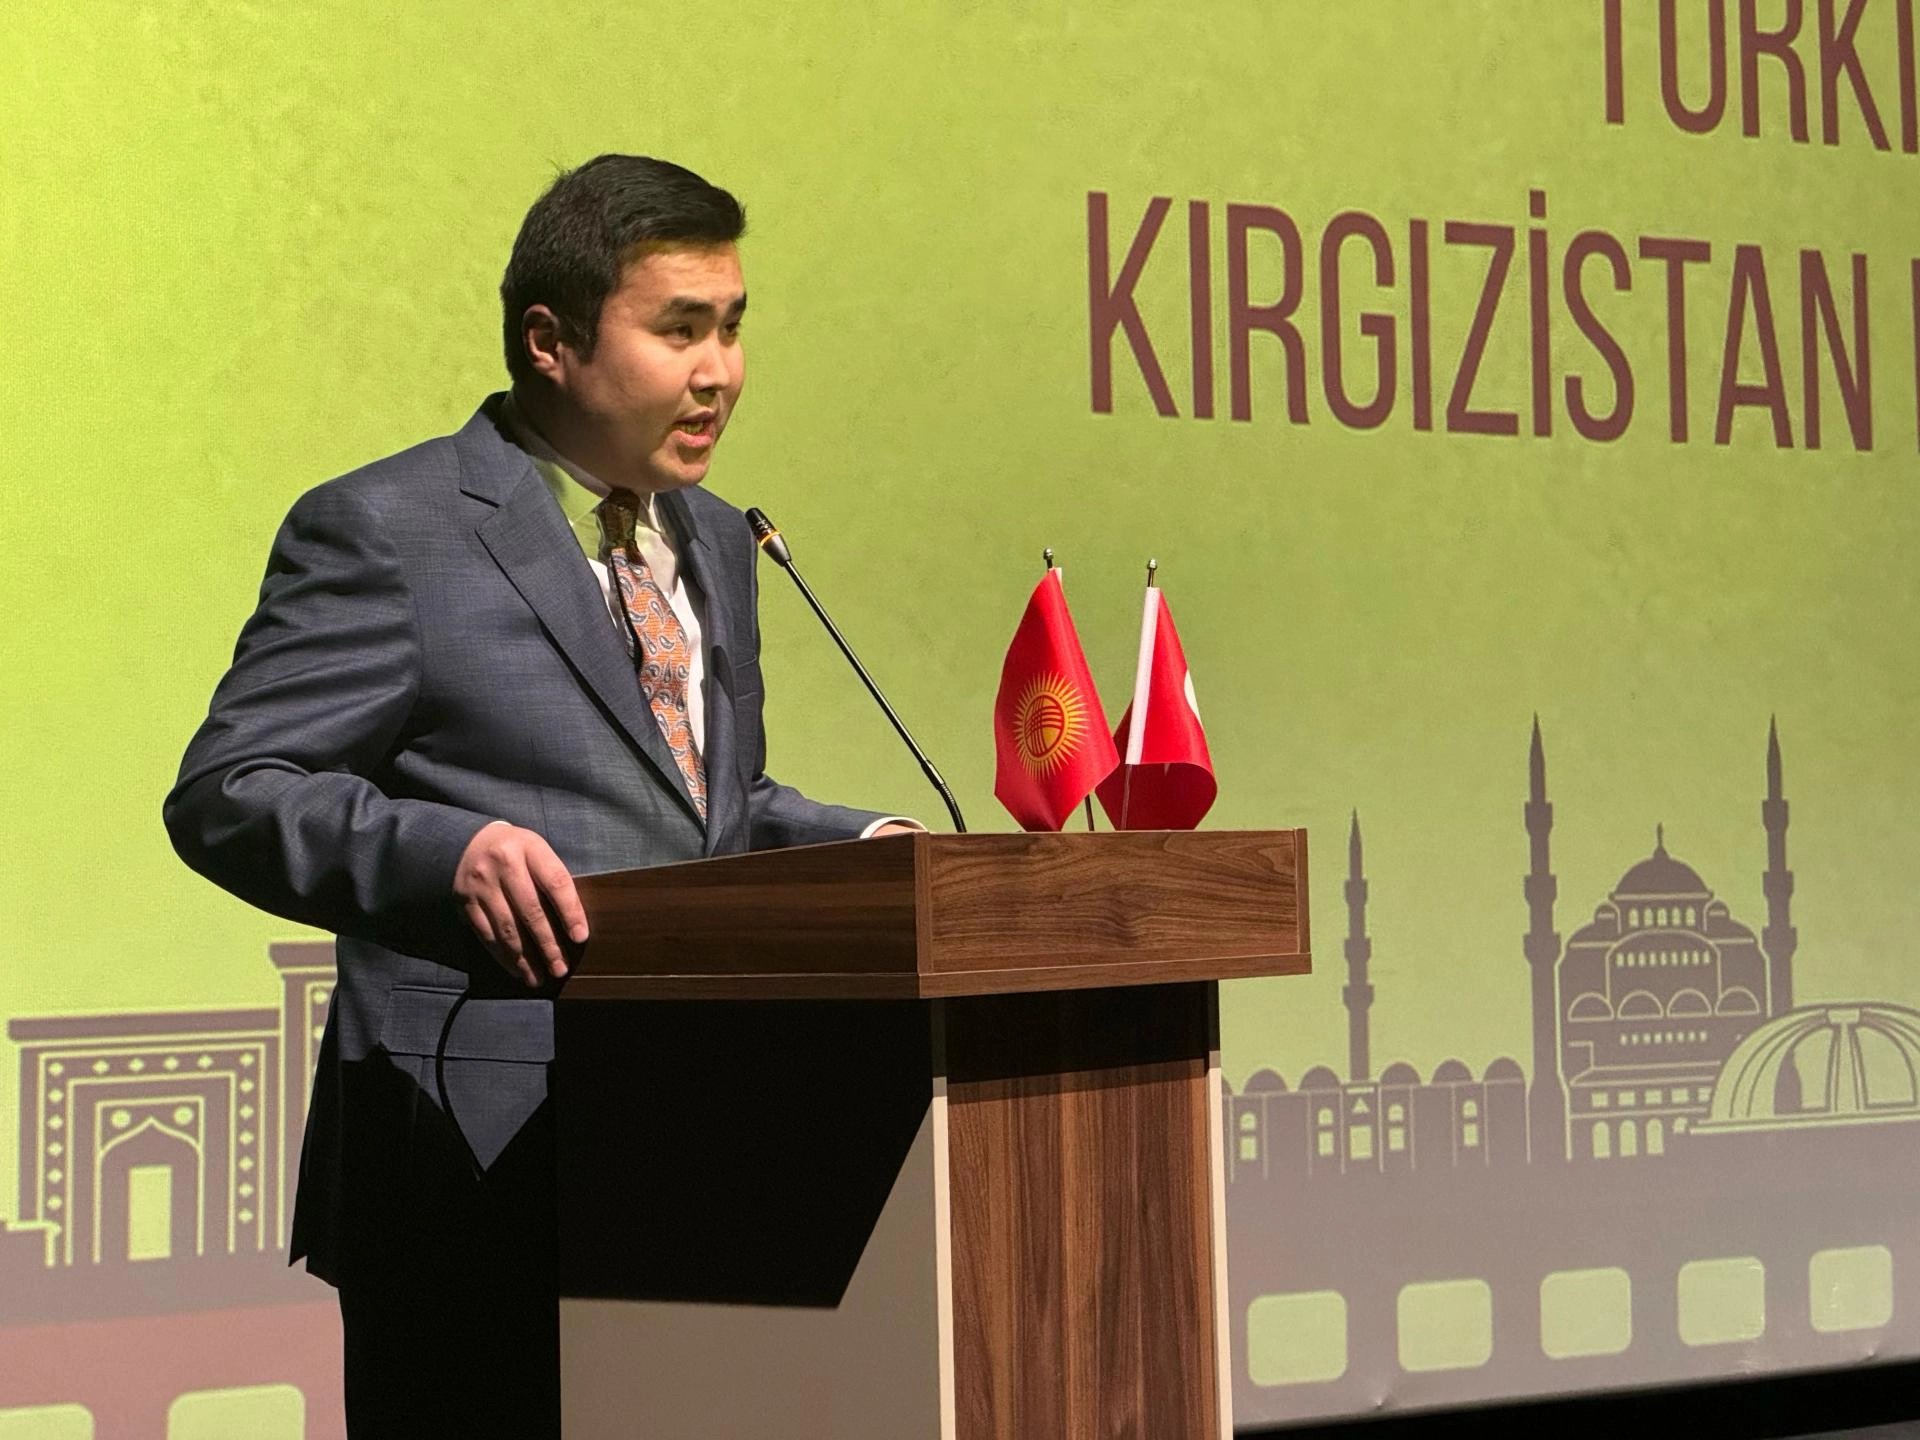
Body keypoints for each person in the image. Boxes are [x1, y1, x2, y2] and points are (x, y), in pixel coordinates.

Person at [164, 154, 915, 1438]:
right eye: (680, 329)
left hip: (703, 1161)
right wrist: (440, 855)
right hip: (469, 1168)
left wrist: (865, 849)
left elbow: (706, 803)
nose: (720, 371)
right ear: (550, 342)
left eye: (733, 327)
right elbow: (231, 790)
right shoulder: (389, 528)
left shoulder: (717, 537)